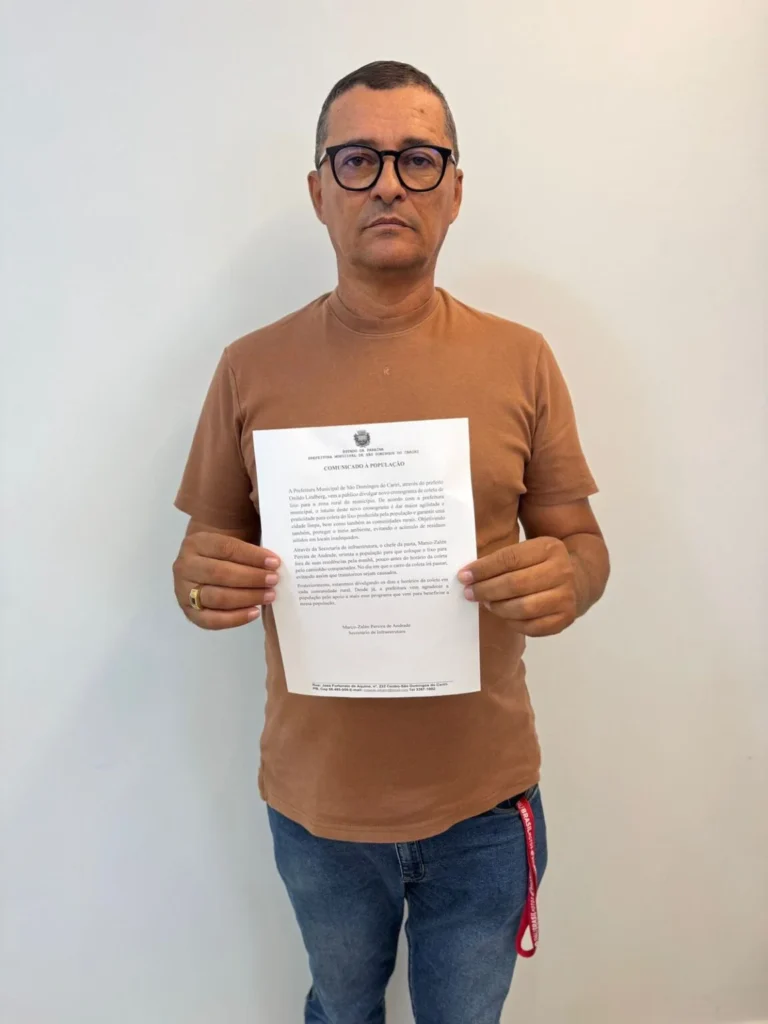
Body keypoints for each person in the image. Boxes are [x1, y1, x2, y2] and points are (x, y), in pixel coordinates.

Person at [172, 60, 609, 1024]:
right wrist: (199, 585)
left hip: (485, 807)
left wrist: (570, 578)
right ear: (318, 191)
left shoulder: (522, 358)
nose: (387, 185)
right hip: (317, 809)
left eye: (417, 158)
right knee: (340, 1010)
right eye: (357, 159)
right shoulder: (249, 367)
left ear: (454, 189)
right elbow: (202, 557)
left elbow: (581, 542)